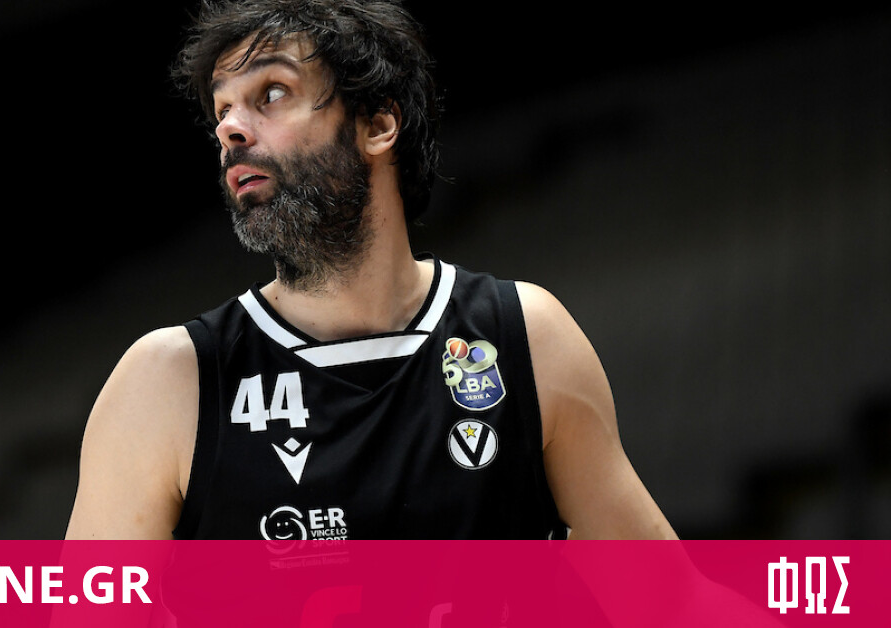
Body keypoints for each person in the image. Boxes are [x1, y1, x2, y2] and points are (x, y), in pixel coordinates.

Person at [65, 0, 677, 541]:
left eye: (271, 93)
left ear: (378, 125)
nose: (229, 128)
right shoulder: (167, 383)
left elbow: (670, 602)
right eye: (223, 110)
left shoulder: (527, 338)